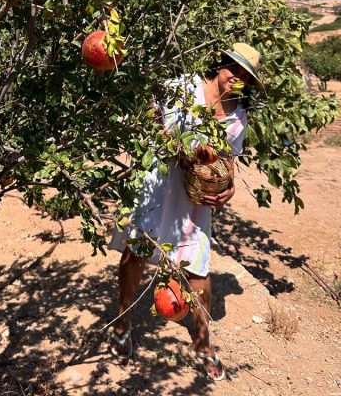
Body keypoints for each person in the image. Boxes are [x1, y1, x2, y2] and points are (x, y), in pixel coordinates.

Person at [108, 43, 262, 381]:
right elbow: (150, 113)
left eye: (246, 76)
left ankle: (202, 343)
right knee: (136, 253)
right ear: (221, 66)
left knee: (197, 271)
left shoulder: (237, 117)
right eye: (234, 69)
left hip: (193, 200)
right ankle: (122, 321)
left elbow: (228, 164)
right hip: (158, 181)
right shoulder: (182, 86)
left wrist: (229, 187)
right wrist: (172, 146)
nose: (237, 78)